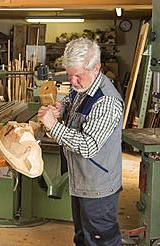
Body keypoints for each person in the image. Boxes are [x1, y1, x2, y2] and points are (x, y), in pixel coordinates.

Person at [38, 37, 124, 246]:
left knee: (101, 240)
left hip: (98, 187)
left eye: (78, 76)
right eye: (69, 75)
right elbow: (73, 101)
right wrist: (61, 108)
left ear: (96, 68)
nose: (73, 81)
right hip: (81, 180)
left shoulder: (107, 101)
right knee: (82, 237)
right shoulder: (83, 89)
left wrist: (53, 126)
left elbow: (88, 146)